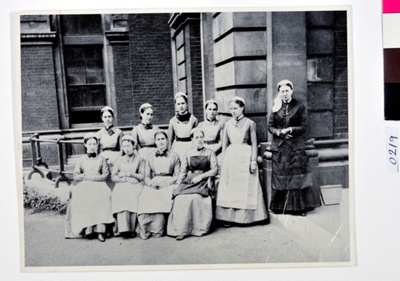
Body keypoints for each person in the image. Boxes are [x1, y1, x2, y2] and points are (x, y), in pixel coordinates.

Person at [268, 79, 321, 216]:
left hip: (295, 147)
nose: (284, 94)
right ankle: (280, 207)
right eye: (282, 91)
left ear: (291, 91)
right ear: (279, 93)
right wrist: (279, 132)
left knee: (296, 177)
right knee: (281, 176)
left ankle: (298, 208)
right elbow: (270, 126)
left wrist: (290, 129)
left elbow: (304, 127)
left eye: (286, 91)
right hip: (280, 147)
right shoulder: (275, 107)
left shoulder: (299, 106)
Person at [216, 96, 268, 226]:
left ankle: (248, 218)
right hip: (231, 158)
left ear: (242, 108)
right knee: (232, 188)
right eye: (231, 109)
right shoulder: (227, 124)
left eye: (235, 108)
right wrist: (222, 161)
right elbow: (224, 145)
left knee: (246, 186)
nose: (233, 111)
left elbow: (255, 143)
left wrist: (253, 161)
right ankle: (229, 218)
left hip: (245, 156)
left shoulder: (250, 123)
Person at [167, 128, 217, 240]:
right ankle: (182, 230)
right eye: (196, 138)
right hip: (190, 181)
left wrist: (201, 177)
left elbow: (214, 170)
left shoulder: (210, 152)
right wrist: (178, 184)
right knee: (180, 198)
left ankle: (198, 229)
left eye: (201, 137)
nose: (199, 140)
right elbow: (183, 172)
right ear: (192, 140)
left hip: (203, 181)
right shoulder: (188, 153)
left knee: (196, 198)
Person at [65, 133, 114, 242]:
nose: (92, 146)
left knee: (102, 198)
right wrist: (84, 177)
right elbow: (76, 174)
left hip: (99, 184)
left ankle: (100, 231)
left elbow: (105, 175)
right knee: (83, 198)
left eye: (94, 144)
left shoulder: (101, 159)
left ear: (97, 146)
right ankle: (88, 229)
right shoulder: (81, 159)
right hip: (85, 184)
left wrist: (93, 178)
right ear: (85, 145)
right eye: (90, 144)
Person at [137, 131, 180, 240]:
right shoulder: (150, 156)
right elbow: (146, 176)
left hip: (169, 181)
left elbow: (177, 175)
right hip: (154, 181)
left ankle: (158, 229)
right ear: (155, 142)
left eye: (163, 139)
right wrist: (151, 183)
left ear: (167, 140)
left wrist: (166, 183)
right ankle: (146, 229)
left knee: (163, 195)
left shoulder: (174, 156)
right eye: (158, 139)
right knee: (146, 195)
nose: (161, 142)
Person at [111, 135, 144, 238]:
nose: (126, 149)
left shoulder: (140, 159)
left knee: (131, 196)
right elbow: (113, 176)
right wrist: (125, 179)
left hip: (135, 184)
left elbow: (142, 176)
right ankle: (122, 229)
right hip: (122, 184)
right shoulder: (119, 160)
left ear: (133, 146)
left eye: (128, 146)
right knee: (120, 195)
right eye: (124, 146)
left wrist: (130, 173)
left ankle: (132, 228)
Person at [168, 92, 198, 161]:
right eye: (178, 104)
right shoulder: (173, 121)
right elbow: (170, 140)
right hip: (177, 147)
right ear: (175, 105)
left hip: (190, 146)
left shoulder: (193, 119)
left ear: (187, 104)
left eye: (183, 103)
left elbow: (196, 136)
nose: (181, 106)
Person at [197, 99, 224, 165]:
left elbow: (222, 142)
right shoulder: (201, 125)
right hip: (203, 151)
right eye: (209, 109)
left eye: (214, 109)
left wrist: (212, 152)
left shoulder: (220, 124)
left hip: (216, 152)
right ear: (206, 110)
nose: (212, 112)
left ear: (217, 111)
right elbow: (197, 141)